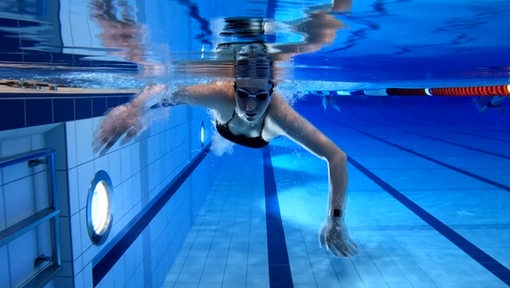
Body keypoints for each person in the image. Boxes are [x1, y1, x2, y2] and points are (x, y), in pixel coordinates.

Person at [93, 1, 357, 258]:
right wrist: (134, 108)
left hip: (260, 134)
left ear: (272, 90)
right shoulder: (220, 95)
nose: (251, 105)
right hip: (228, 115)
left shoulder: (279, 114)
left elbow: (336, 157)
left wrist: (336, 219)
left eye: (261, 95)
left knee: (324, 28)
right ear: (233, 87)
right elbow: (166, 89)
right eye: (243, 93)